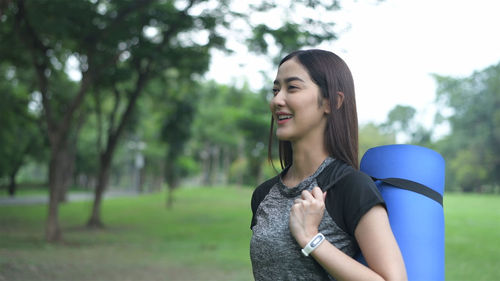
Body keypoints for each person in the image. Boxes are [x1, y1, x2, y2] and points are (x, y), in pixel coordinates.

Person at [249, 49, 407, 281]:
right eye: (275, 90)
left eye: (292, 88)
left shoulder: (350, 187)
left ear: (332, 102)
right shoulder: (264, 194)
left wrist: (311, 238)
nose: (277, 100)